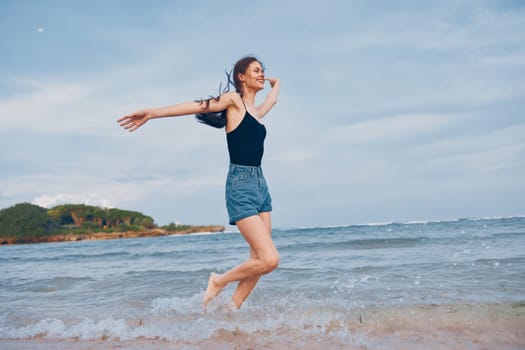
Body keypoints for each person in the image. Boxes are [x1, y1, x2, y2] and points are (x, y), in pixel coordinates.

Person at [117, 56, 281, 311]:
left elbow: (272, 99)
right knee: (269, 260)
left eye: (263, 71)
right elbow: (197, 106)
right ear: (241, 76)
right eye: (256, 71)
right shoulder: (233, 101)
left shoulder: (256, 113)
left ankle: (231, 309)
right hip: (241, 185)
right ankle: (218, 281)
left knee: (257, 260)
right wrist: (152, 113)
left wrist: (276, 83)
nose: (262, 75)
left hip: (262, 186)